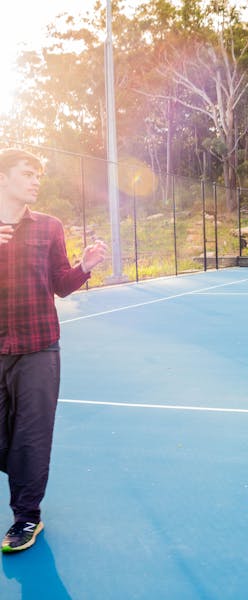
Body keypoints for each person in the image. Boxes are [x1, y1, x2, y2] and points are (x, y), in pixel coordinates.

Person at [0, 148, 107, 552]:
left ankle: (26, 517)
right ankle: (27, 477)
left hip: (39, 349)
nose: (35, 181)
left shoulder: (49, 227)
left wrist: (85, 266)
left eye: (39, 175)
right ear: (2, 178)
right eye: (27, 173)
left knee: (31, 437)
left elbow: (60, 284)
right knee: (7, 441)